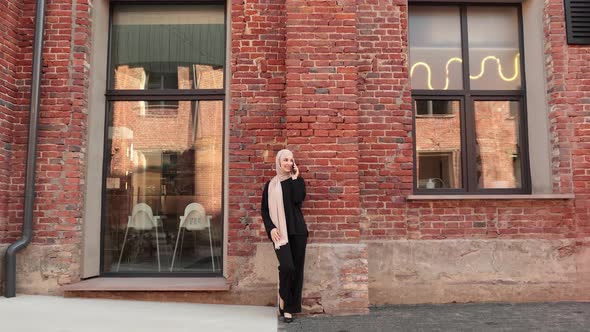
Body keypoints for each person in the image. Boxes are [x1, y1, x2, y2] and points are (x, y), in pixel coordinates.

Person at [261, 149, 308, 323]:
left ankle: (288, 308)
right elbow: (264, 211)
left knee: (297, 271)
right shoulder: (271, 185)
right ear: (279, 162)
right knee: (287, 267)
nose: (288, 163)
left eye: (291, 160)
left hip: (298, 231)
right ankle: (283, 295)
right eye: (285, 160)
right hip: (279, 233)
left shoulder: (298, 182)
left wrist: (296, 178)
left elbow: (298, 199)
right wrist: (271, 228)